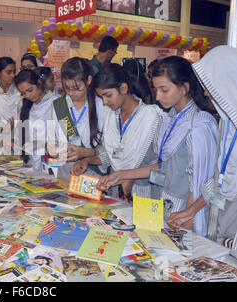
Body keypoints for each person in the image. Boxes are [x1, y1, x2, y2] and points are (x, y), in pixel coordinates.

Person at [97, 56, 219, 237]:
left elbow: (201, 181)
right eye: (156, 90)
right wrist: (121, 175)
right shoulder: (169, 119)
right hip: (163, 204)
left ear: (184, 88)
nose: (158, 96)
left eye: (164, 90)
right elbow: (162, 167)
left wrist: (190, 213)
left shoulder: (199, 125)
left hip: (183, 213)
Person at [71, 63, 166, 199]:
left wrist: (129, 176)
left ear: (123, 88)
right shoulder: (112, 116)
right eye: (101, 97)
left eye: (108, 95)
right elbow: (110, 156)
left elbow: (163, 168)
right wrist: (87, 161)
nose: (104, 102)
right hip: (115, 193)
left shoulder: (152, 118)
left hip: (145, 196)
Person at [192, 46, 237, 257]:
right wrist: (191, 211)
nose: (207, 92)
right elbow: (219, 177)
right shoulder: (225, 124)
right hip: (219, 221)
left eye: (212, 85)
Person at [46, 57, 105, 182]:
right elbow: (51, 140)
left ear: (88, 80)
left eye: (77, 87)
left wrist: (84, 153)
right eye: (67, 88)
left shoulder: (103, 105)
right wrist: (53, 149)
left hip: (95, 174)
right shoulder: (58, 106)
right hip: (65, 173)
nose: (71, 93)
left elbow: (111, 151)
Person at [14, 69, 59, 170]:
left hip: (51, 162)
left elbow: (60, 140)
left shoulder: (55, 103)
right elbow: (19, 134)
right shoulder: (22, 104)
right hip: (29, 160)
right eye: (23, 93)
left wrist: (41, 144)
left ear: (39, 83)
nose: (28, 96)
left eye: (30, 90)